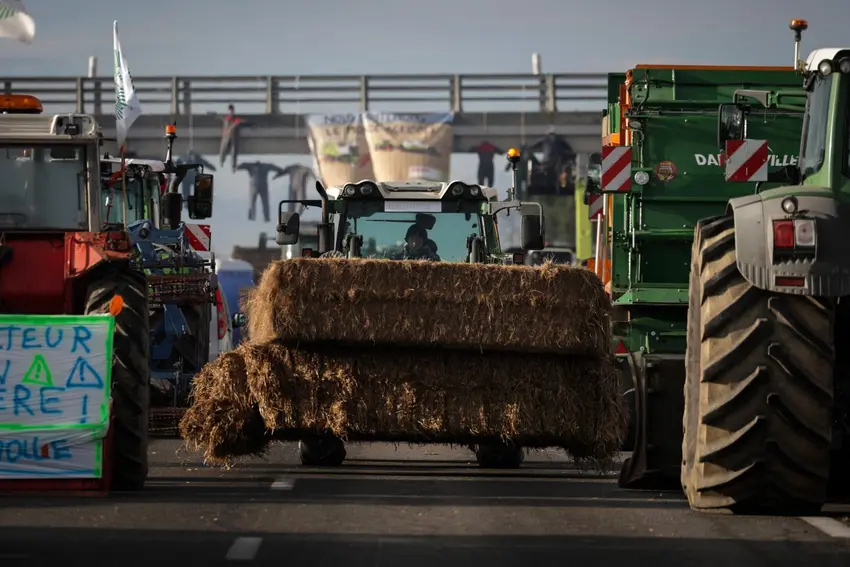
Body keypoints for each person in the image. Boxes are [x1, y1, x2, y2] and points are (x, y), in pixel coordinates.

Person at [219, 104, 252, 172]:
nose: (231, 112)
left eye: (232, 111)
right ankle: (222, 161)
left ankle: (233, 166)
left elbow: (244, 122)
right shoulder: (226, 119)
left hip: (234, 138)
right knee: (223, 150)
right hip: (226, 138)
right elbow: (220, 118)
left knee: (234, 152)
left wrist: (250, 124)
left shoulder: (236, 119)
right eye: (230, 111)